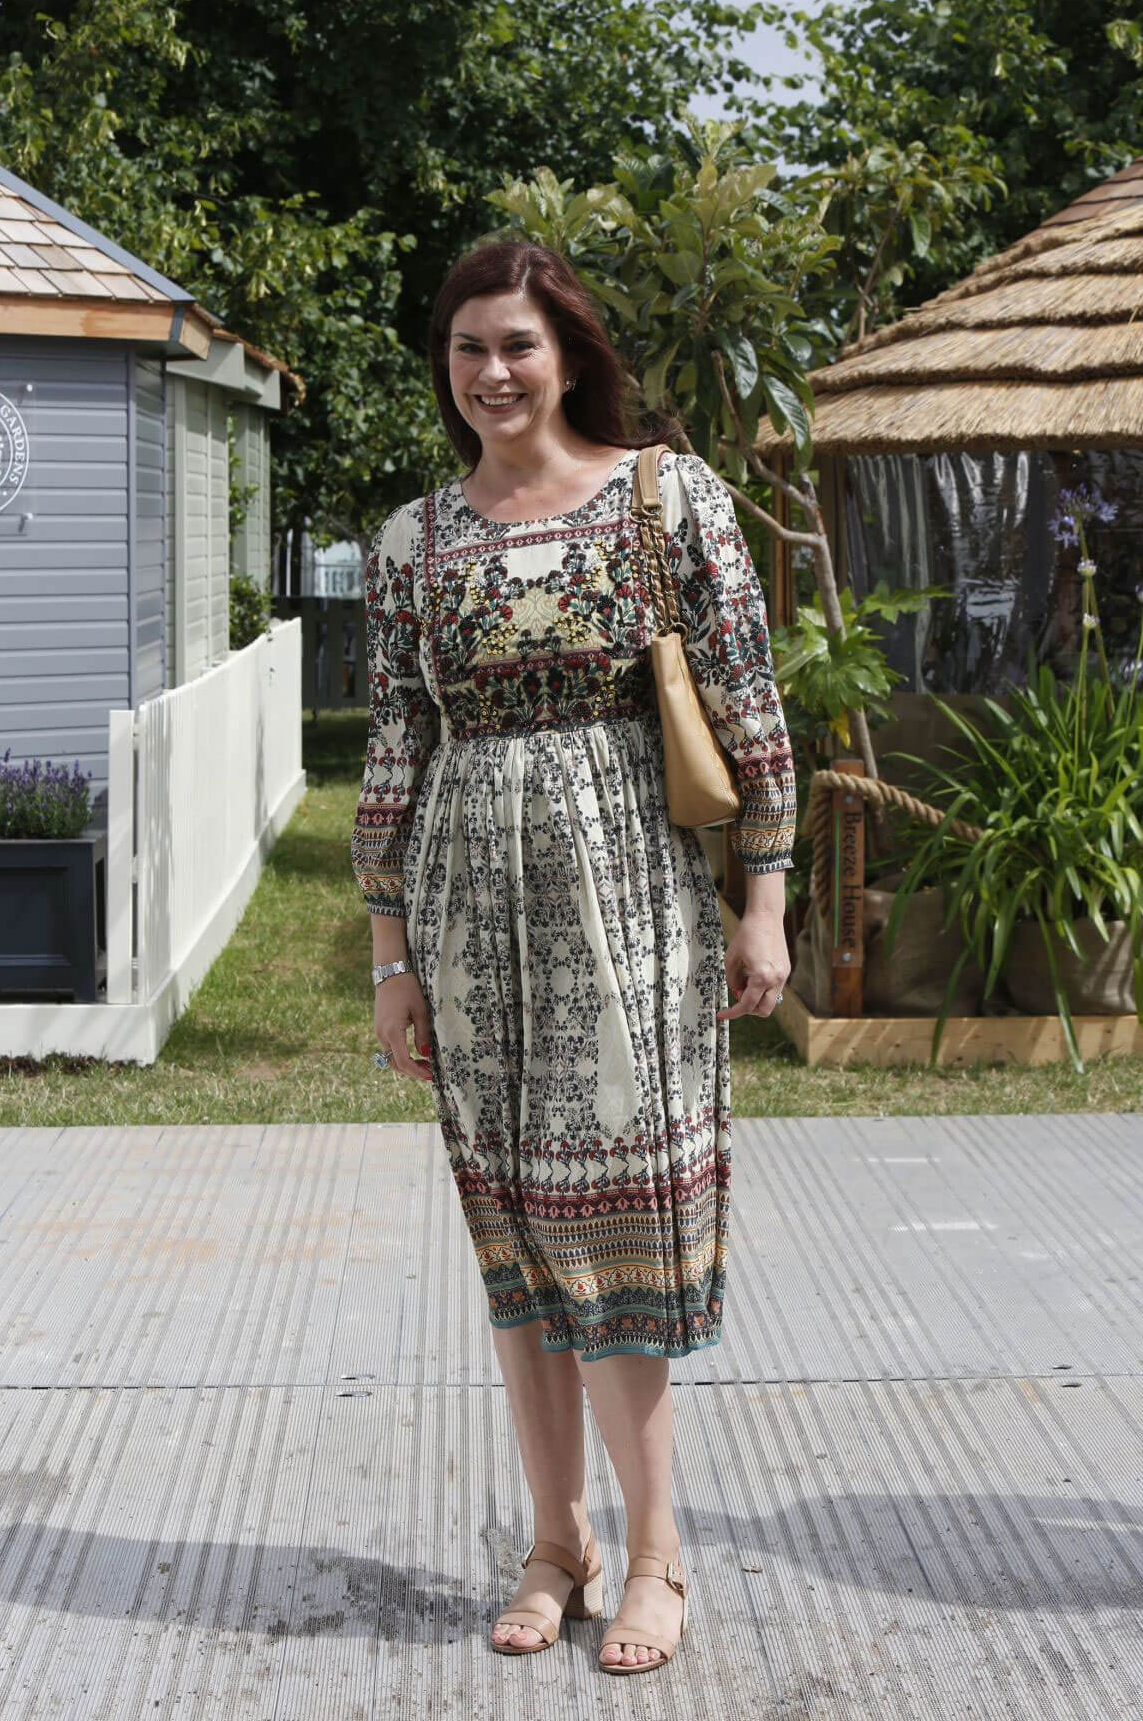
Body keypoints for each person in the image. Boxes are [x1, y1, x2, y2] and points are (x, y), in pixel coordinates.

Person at [350, 239, 797, 1675]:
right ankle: (558, 1540)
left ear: (568, 354)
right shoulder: (415, 546)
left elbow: (747, 702)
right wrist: (389, 956)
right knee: (519, 1239)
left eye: (518, 346)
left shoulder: (669, 499)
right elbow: (394, 754)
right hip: (473, 920)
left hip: (634, 904)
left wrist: (767, 900)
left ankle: (657, 1555)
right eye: (468, 347)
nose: (492, 373)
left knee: (621, 1228)